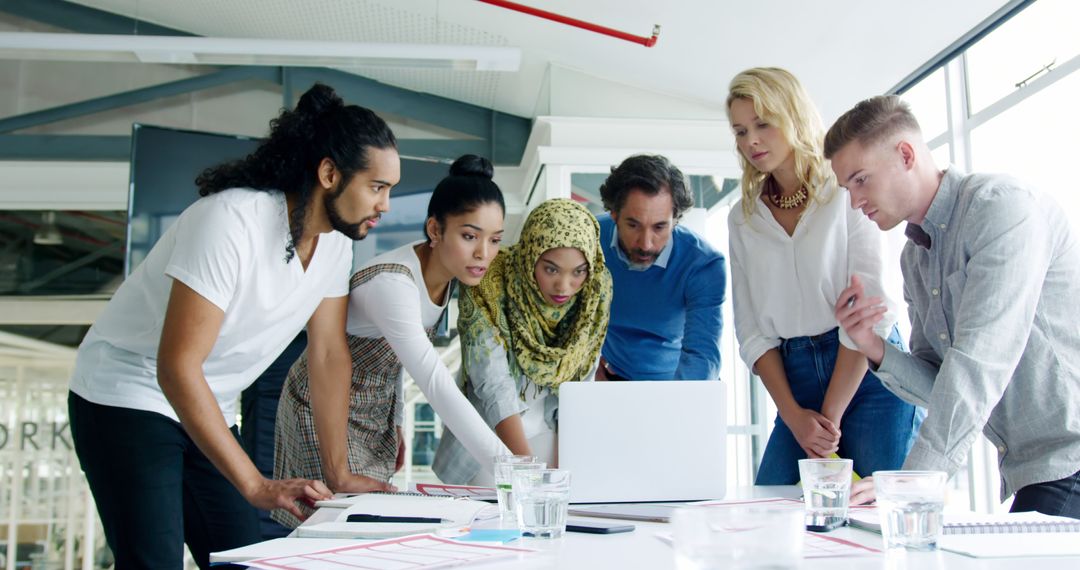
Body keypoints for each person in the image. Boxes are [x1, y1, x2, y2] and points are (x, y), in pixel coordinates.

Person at [66, 83, 400, 568]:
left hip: (211, 405)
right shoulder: (229, 220)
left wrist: (340, 471)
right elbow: (177, 367)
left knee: (243, 560)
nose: (385, 205)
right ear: (330, 173)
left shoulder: (335, 245)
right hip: (127, 395)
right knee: (154, 559)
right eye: (377, 187)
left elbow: (328, 354)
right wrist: (254, 483)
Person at [827, 95, 1080, 518]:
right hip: (1036, 468)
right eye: (847, 188)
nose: (854, 202)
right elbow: (939, 382)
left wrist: (911, 484)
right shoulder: (916, 257)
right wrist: (873, 347)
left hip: (1070, 455)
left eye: (860, 180)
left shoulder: (1003, 209)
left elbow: (979, 364)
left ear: (905, 154)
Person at [273, 155, 513, 526]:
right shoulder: (394, 284)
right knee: (332, 526)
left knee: (369, 526)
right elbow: (434, 381)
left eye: (494, 239)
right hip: (322, 405)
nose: (484, 253)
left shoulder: (448, 278)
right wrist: (511, 469)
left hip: (376, 411)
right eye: (469, 236)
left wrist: (396, 418)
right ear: (435, 230)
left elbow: (396, 359)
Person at [725, 68, 922, 484]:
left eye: (763, 123)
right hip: (792, 382)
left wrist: (828, 419)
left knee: (878, 516)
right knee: (769, 511)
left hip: (869, 373)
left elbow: (871, 311)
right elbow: (751, 330)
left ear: (793, 116)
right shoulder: (742, 219)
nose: (751, 141)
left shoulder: (847, 191)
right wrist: (795, 418)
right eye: (740, 131)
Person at [432, 198, 613, 484]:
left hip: (555, 439)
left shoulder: (595, 292)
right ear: (531, 255)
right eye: (551, 269)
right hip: (490, 442)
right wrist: (526, 473)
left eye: (578, 271)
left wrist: (559, 474)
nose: (564, 286)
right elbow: (492, 384)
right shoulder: (490, 281)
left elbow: (580, 389)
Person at [595, 154, 726, 381]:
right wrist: (587, 368)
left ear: (675, 219)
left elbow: (702, 354)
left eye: (659, 227)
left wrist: (679, 407)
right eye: (633, 225)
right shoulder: (588, 239)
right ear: (614, 214)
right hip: (608, 376)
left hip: (677, 380)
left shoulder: (704, 264)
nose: (646, 244)